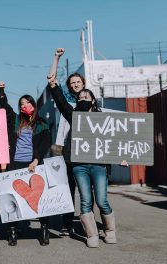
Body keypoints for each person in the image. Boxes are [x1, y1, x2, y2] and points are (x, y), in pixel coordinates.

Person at [47, 48, 118, 248]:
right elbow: (57, 93)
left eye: (87, 96)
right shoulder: (72, 115)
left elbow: (117, 137)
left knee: (102, 200)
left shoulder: (103, 117)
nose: (83, 98)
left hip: (99, 165)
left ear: (93, 100)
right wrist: (56, 60)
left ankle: (110, 230)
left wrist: (121, 154)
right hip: (78, 164)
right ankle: (91, 235)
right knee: (85, 200)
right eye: (80, 97)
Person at [0, 81, 51, 246]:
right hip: (15, 164)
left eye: (28, 103)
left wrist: (36, 159)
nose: (25, 105)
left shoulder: (42, 124)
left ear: (33, 105)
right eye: (22, 104)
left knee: (40, 198)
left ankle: (44, 228)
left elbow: (45, 143)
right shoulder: (14, 120)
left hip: (34, 164)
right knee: (13, 198)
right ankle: (12, 230)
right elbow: (4, 106)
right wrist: (2, 91)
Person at [49, 49, 87, 236]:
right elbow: (51, 80)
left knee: (87, 189)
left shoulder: (91, 101)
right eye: (72, 83)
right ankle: (67, 222)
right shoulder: (66, 103)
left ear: (83, 84)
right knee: (68, 186)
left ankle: (87, 223)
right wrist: (56, 58)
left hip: (86, 149)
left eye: (78, 82)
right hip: (64, 147)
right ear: (69, 86)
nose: (75, 85)